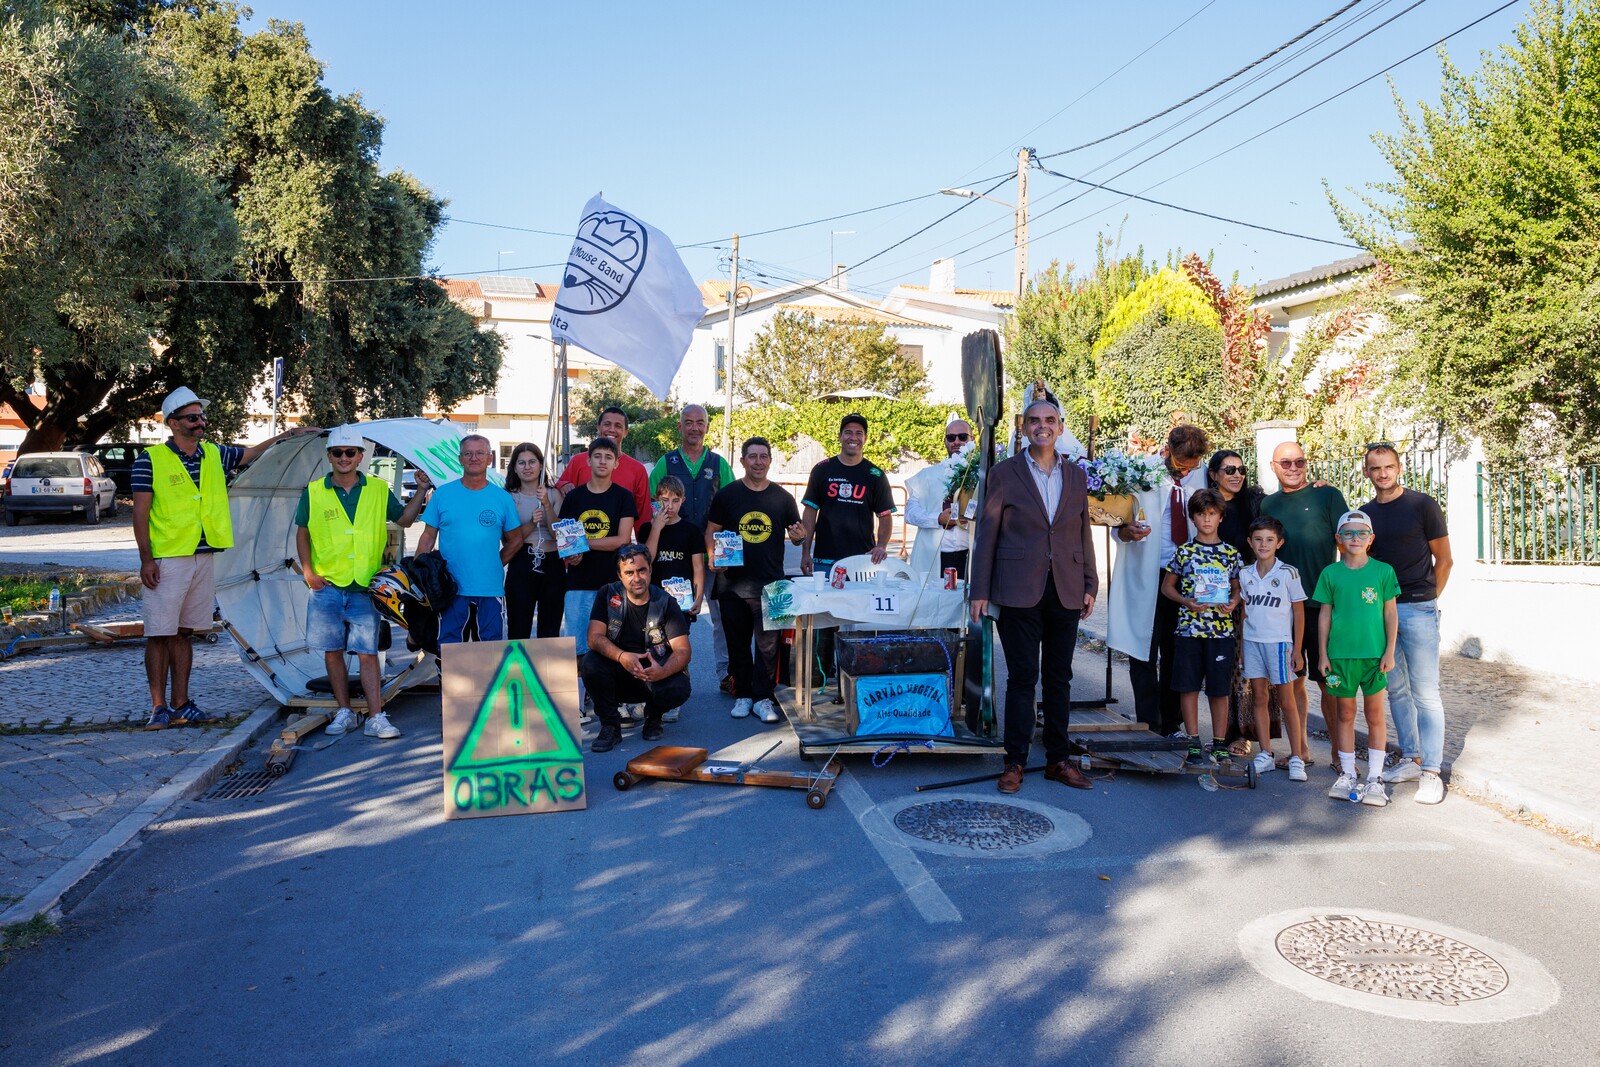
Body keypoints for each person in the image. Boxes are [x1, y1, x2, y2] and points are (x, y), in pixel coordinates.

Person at [133, 386, 319, 729]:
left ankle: (182, 704)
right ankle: (159, 707)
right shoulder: (150, 460)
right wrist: (147, 560)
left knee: (185, 632)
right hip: (166, 558)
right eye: (192, 418)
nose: (200, 422)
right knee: (159, 633)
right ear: (173, 423)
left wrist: (289, 435)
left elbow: (251, 454)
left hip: (204, 556)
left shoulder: (214, 454)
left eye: (202, 416)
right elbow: (140, 514)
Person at [969, 399, 1098, 794]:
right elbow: (986, 533)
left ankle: (1059, 759)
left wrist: (1090, 583)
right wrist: (980, 590)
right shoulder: (1003, 474)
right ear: (1024, 428)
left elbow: (1082, 532)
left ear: (1060, 427)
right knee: (1023, 678)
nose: (1042, 426)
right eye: (1034, 421)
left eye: (1049, 420)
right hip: (1017, 589)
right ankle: (1015, 761)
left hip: (1066, 587)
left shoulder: (1076, 475)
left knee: (1060, 678)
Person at [294, 425, 429, 739]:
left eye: (350, 452)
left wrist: (421, 491)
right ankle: (344, 712)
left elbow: (405, 520)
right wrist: (308, 572)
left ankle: (376, 716)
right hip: (326, 586)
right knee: (332, 650)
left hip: (364, 587)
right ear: (329, 456)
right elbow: (302, 533)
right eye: (338, 453)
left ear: (360, 456)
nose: (344, 458)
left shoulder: (378, 490)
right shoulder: (313, 492)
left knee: (368, 652)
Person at [1107, 425, 1211, 736]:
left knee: (1177, 650)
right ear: (1167, 451)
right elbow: (1116, 523)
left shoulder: (1201, 475)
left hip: (1182, 576)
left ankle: (1172, 721)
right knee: (1143, 649)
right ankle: (1148, 721)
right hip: (1146, 572)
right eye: (1181, 464)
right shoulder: (1141, 473)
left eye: (1192, 466)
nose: (1186, 472)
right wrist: (1126, 532)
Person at [1363, 443, 1452, 805]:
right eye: (1375, 468)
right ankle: (1413, 759)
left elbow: (1444, 560)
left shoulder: (1422, 505)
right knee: (1397, 691)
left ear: (1399, 468)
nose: (1382, 474)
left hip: (1418, 609)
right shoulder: (1365, 514)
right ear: (1366, 472)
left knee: (1427, 692)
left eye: (1388, 467)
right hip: (1381, 613)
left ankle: (1432, 771)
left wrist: (1429, 600)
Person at [1259, 440, 1348, 769]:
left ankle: (1342, 754)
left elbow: (1350, 540)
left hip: (1325, 610)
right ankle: (1301, 751)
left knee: (1331, 683)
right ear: (1273, 466)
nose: (1293, 468)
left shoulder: (1328, 495)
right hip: (1284, 612)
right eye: (1286, 463)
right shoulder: (1268, 503)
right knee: (1292, 682)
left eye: (1299, 462)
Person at [706, 437, 805, 723]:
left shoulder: (783, 498)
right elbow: (711, 530)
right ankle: (743, 695)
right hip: (732, 585)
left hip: (772, 585)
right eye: (753, 456)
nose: (758, 461)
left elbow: (797, 535)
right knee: (736, 644)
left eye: (764, 456)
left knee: (768, 647)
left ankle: (763, 698)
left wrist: (799, 539)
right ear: (743, 461)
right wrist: (712, 555)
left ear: (770, 460)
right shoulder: (727, 495)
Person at [1313, 510, 1400, 807]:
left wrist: (1389, 651)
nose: (1355, 538)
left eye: (1362, 533)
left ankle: (1375, 778)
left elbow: (1390, 612)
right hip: (1340, 658)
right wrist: (1323, 654)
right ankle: (1347, 773)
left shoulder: (1383, 571)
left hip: (1375, 657)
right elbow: (1324, 615)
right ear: (1338, 539)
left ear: (1371, 538)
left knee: (1375, 716)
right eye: (1348, 533)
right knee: (1345, 715)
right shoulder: (1330, 574)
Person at [650, 404, 736, 692]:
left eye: (700, 422)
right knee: (664, 620)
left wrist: (722, 551)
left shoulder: (719, 463)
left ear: (707, 427)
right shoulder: (666, 462)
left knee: (721, 617)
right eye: (689, 422)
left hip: (709, 555)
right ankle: (668, 674)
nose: (695, 427)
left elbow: (731, 510)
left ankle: (726, 673)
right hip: (673, 556)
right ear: (680, 427)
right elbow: (652, 506)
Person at [581, 545, 693, 752]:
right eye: (629, 573)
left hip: (654, 674)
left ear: (650, 570)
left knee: (679, 685)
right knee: (590, 663)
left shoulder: (666, 601)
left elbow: (683, 651)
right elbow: (594, 638)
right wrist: (622, 656)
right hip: (619, 670)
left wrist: (662, 672)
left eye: (642, 570)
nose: (637, 578)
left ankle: (654, 716)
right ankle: (610, 726)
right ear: (619, 575)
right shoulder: (607, 594)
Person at [1160, 489, 1244, 767]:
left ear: (1220, 517)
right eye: (1201, 514)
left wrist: (1233, 602)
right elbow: (1166, 587)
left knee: (1219, 689)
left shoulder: (1231, 554)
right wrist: (1185, 600)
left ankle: (1219, 743)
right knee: (1189, 687)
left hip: (1220, 633)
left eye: (1212, 514)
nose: (1207, 519)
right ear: (1193, 518)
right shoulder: (1184, 552)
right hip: (1188, 631)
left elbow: (1238, 589)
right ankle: (1193, 740)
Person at [415, 434, 524, 644]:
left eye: (480, 453)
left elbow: (516, 539)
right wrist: (419, 574)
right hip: (450, 587)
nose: (474, 458)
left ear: (489, 458)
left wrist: (494, 563)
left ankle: (485, 680)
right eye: (468, 453)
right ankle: (449, 680)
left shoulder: (502, 498)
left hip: (489, 587)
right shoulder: (443, 494)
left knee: (490, 648)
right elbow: (428, 537)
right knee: (450, 645)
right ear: (460, 459)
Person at [557, 437, 637, 693]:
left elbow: (622, 539)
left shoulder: (623, 497)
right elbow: (565, 541)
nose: (603, 461)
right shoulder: (574, 498)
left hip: (614, 584)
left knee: (616, 645)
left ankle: (617, 699)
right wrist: (573, 553)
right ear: (588, 460)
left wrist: (583, 543)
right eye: (598, 456)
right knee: (578, 646)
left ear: (616, 463)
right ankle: (578, 703)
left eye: (608, 457)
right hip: (578, 582)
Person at [1238, 515, 1308, 779]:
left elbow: (1299, 613)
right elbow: (1244, 614)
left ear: (1279, 543)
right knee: (1259, 698)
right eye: (1258, 540)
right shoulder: (1245, 574)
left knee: (1287, 701)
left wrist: (1297, 649)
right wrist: (1243, 650)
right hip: (1253, 643)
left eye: (1269, 540)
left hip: (1279, 644)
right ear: (1250, 542)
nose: (1263, 545)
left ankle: (1297, 757)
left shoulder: (1288, 573)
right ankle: (1265, 752)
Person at [644, 475, 704, 723]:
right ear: (656, 500)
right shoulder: (648, 528)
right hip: (653, 601)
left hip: (681, 603)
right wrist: (657, 528)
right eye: (664, 499)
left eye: (675, 500)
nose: (669, 506)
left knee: (677, 650)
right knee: (653, 648)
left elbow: (698, 567)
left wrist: (699, 598)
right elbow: (646, 559)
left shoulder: (691, 530)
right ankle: (651, 695)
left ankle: (675, 697)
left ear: (683, 501)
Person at [503, 442, 565, 640]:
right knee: (518, 626)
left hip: (552, 563)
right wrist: (531, 522)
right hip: (522, 562)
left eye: (532, 462)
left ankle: (546, 670)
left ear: (541, 465)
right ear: (514, 467)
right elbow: (507, 540)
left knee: (550, 628)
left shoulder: (554, 494)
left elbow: (560, 536)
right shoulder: (508, 497)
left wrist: (547, 505)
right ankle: (517, 670)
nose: (527, 467)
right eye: (521, 463)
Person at [555, 406, 651, 529]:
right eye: (607, 424)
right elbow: (559, 489)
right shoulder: (578, 461)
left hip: (618, 544)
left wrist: (643, 545)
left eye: (618, 426)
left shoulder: (637, 469)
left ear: (626, 432)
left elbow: (643, 514)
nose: (612, 429)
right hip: (581, 543)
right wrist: (562, 484)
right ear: (598, 427)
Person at [905, 417, 976, 578]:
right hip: (934, 555)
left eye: (962, 437)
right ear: (945, 441)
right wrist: (937, 518)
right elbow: (910, 513)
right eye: (951, 438)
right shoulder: (927, 475)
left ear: (972, 440)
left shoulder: (983, 475)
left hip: (970, 555)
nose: (957, 442)